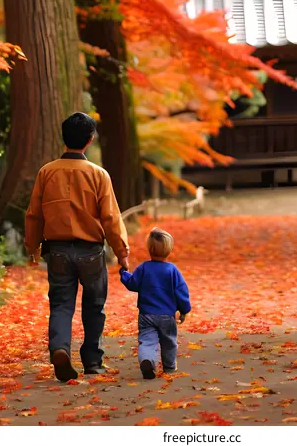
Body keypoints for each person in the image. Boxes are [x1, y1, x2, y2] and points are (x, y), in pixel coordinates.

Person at [25, 112, 130, 383]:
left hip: (57, 250)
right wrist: (122, 253)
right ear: (90, 139)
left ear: (64, 138)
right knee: (94, 305)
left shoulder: (46, 172)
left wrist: (32, 246)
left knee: (61, 304)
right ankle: (93, 362)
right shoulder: (98, 174)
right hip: (91, 251)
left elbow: (34, 214)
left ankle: (60, 348)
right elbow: (110, 217)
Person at [120, 227, 191, 379]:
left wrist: (124, 274)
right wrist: (184, 310)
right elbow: (181, 292)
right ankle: (169, 367)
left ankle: (147, 359)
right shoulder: (172, 270)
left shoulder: (144, 268)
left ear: (149, 249)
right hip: (167, 315)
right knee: (169, 342)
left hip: (146, 315)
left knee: (146, 341)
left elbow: (133, 283)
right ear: (169, 250)